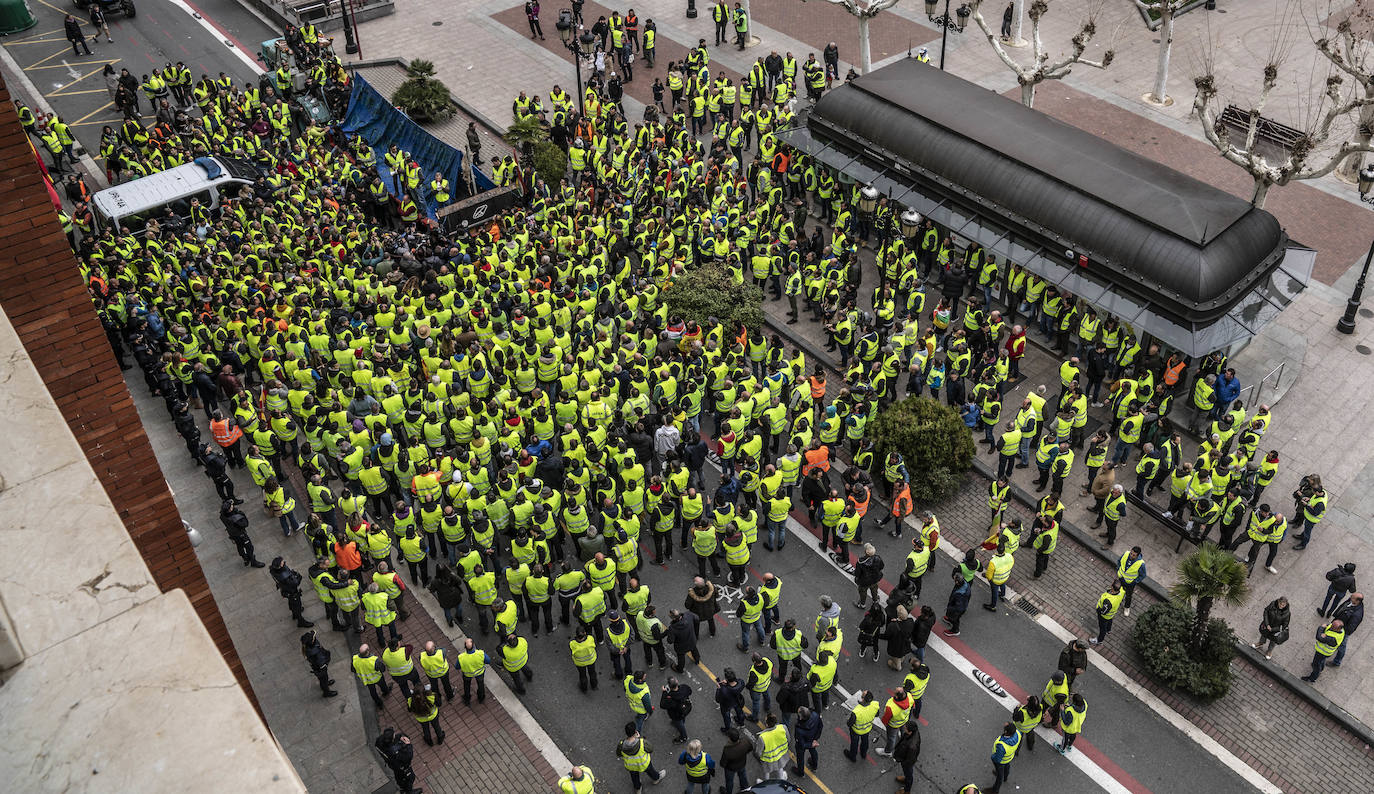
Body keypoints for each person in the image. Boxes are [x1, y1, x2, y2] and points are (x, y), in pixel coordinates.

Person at [616, 722, 665, 792]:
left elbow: (618, 754)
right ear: (635, 732)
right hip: (644, 764)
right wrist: (640, 738)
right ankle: (656, 779)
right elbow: (650, 749)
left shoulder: (621, 745)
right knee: (651, 771)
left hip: (631, 766)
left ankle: (638, 788)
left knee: (634, 777)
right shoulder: (642, 742)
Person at [270, 557, 314, 628]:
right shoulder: (284, 576)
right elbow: (295, 583)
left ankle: (294, 614)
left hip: (285, 590)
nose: (284, 562)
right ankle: (300, 621)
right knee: (297, 605)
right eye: (282, 562)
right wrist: (298, 576)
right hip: (292, 591)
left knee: (291, 602)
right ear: (280, 565)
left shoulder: (273, 570)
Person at [219, 499, 264, 567]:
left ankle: (245, 559)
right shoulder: (235, 518)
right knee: (249, 547)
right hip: (240, 534)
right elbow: (245, 524)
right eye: (231, 506)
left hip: (232, 534)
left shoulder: (222, 516)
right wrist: (240, 513)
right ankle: (253, 561)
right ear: (229, 510)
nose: (233, 506)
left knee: (240, 546)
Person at [375, 729, 420, 794]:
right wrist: (408, 744)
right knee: (410, 778)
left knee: (399, 778)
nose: (395, 735)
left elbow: (394, 738)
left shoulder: (379, 743)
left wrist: (400, 737)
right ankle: (409, 792)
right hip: (402, 767)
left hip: (393, 766)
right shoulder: (395, 753)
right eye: (394, 735)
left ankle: (403, 789)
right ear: (392, 740)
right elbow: (408, 757)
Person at [1300, 618, 1345, 682]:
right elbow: (1327, 626)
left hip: (1323, 652)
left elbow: (1319, 637)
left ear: (1338, 629)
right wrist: (1324, 632)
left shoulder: (1333, 639)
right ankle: (1321, 668)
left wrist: (1321, 627)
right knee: (1321, 661)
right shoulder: (1341, 630)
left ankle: (1312, 678)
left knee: (1316, 664)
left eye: (1333, 626)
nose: (1331, 626)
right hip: (1324, 652)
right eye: (1332, 624)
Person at [300, 631, 337, 697]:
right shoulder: (315, 653)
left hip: (318, 667)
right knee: (323, 678)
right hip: (320, 668)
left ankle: (324, 684)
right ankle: (326, 692)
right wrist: (324, 666)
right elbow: (321, 662)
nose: (315, 637)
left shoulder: (309, 647)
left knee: (323, 678)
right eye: (314, 638)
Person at [844, 690, 878, 761]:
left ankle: (852, 756)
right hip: (867, 729)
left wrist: (848, 721)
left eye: (861, 696)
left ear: (863, 699)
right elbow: (877, 714)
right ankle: (863, 754)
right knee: (865, 741)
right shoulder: (875, 705)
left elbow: (850, 723)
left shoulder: (857, 711)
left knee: (854, 744)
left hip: (856, 731)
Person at [1331, 593, 1363, 668]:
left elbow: (1350, 628)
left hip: (1343, 630)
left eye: (1353, 597)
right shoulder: (1352, 601)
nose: (1350, 597)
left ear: (1357, 601)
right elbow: (1343, 607)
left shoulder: (1357, 614)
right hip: (1338, 623)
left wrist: (1340, 630)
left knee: (1342, 646)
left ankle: (1337, 662)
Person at [988, 722, 1021, 793]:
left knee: (1000, 776)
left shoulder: (1002, 745)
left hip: (1001, 761)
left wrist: (992, 757)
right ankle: (1005, 777)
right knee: (1007, 767)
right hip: (1009, 758)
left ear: (1006, 731)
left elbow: (997, 759)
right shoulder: (1018, 733)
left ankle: (995, 790)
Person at [756, 712, 790, 780]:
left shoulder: (762, 737)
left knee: (767, 771)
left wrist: (760, 758)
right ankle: (781, 780)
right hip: (781, 754)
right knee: (780, 767)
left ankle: (766, 785)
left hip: (768, 758)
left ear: (767, 724)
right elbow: (788, 740)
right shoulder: (783, 727)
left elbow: (758, 752)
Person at [456, 637, 490, 705]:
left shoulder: (461, 657)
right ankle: (481, 697)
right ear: (474, 645)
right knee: (480, 685)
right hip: (480, 673)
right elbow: (488, 661)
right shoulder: (480, 653)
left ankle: (467, 698)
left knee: (466, 686)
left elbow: (457, 667)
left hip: (467, 675)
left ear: (465, 647)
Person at [792, 705, 823, 776]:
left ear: (801, 717)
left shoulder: (799, 729)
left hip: (804, 743)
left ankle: (800, 772)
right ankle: (814, 765)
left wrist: (810, 744)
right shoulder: (815, 715)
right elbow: (820, 726)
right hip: (812, 739)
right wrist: (815, 739)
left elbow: (801, 744)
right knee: (813, 751)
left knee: (800, 758)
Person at [719, 727, 752, 794]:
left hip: (730, 769)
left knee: (729, 781)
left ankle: (729, 792)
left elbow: (722, 764)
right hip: (742, 764)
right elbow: (750, 748)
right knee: (743, 776)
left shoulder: (727, 750)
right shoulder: (745, 741)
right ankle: (745, 788)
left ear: (730, 739)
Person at [660, 677, 694, 742]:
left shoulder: (670, 697)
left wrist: (664, 692)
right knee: (682, 719)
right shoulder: (684, 687)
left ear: (669, 686)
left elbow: (662, 705)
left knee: (679, 724)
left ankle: (684, 737)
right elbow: (690, 691)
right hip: (685, 709)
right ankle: (682, 722)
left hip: (676, 715)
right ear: (677, 682)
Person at [1091, 580, 1124, 645]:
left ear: (1112, 587)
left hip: (1104, 617)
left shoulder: (1109, 601)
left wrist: (1098, 610)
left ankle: (1099, 640)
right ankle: (1108, 630)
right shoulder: (1122, 591)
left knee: (1102, 628)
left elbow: (1103, 612)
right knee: (1110, 620)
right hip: (1111, 614)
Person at [893, 721, 922, 794]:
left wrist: (903, 762)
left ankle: (907, 790)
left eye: (905, 728)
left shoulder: (912, 746)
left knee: (909, 774)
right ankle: (906, 779)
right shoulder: (913, 733)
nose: (904, 728)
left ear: (910, 731)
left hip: (907, 763)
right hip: (905, 758)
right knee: (907, 774)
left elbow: (909, 760)